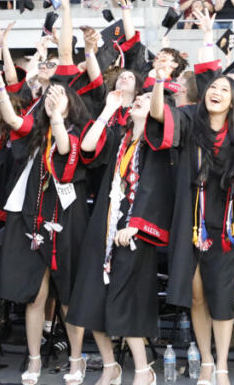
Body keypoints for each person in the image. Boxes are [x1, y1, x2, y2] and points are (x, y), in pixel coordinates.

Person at [146, 67, 234, 385]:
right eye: (213, 87)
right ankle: (206, 361)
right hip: (190, 220)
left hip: (225, 225)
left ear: (233, 102)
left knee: (221, 295)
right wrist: (159, 81)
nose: (216, 92)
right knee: (197, 295)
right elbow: (159, 114)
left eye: (224, 90)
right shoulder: (189, 120)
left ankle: (223, 366)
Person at [0, 66, 90, 385]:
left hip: (66, 217)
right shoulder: (33, 131)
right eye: (48, 96)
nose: (51, 99)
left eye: (59, 96)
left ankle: (76, 359)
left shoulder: (79, 131)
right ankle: (33, 358)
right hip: (31, 213)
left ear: (71, 103)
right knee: (35, 293)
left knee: (70, 293)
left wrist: (57, 115)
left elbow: (63, 148)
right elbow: (13, 119)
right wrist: (1, 87)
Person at [68, 89, 167, 385]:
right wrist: (108, 109)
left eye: (148, 98)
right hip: (105, 222)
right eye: (140, 96)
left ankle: (142, 370)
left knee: (127, 300)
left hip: (133, 227)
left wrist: (137, 224)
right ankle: (110, 366)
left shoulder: (156, 144)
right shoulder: (120, 137)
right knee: (90, 296)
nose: (140, 99)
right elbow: (86, 147)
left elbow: (159, 188)